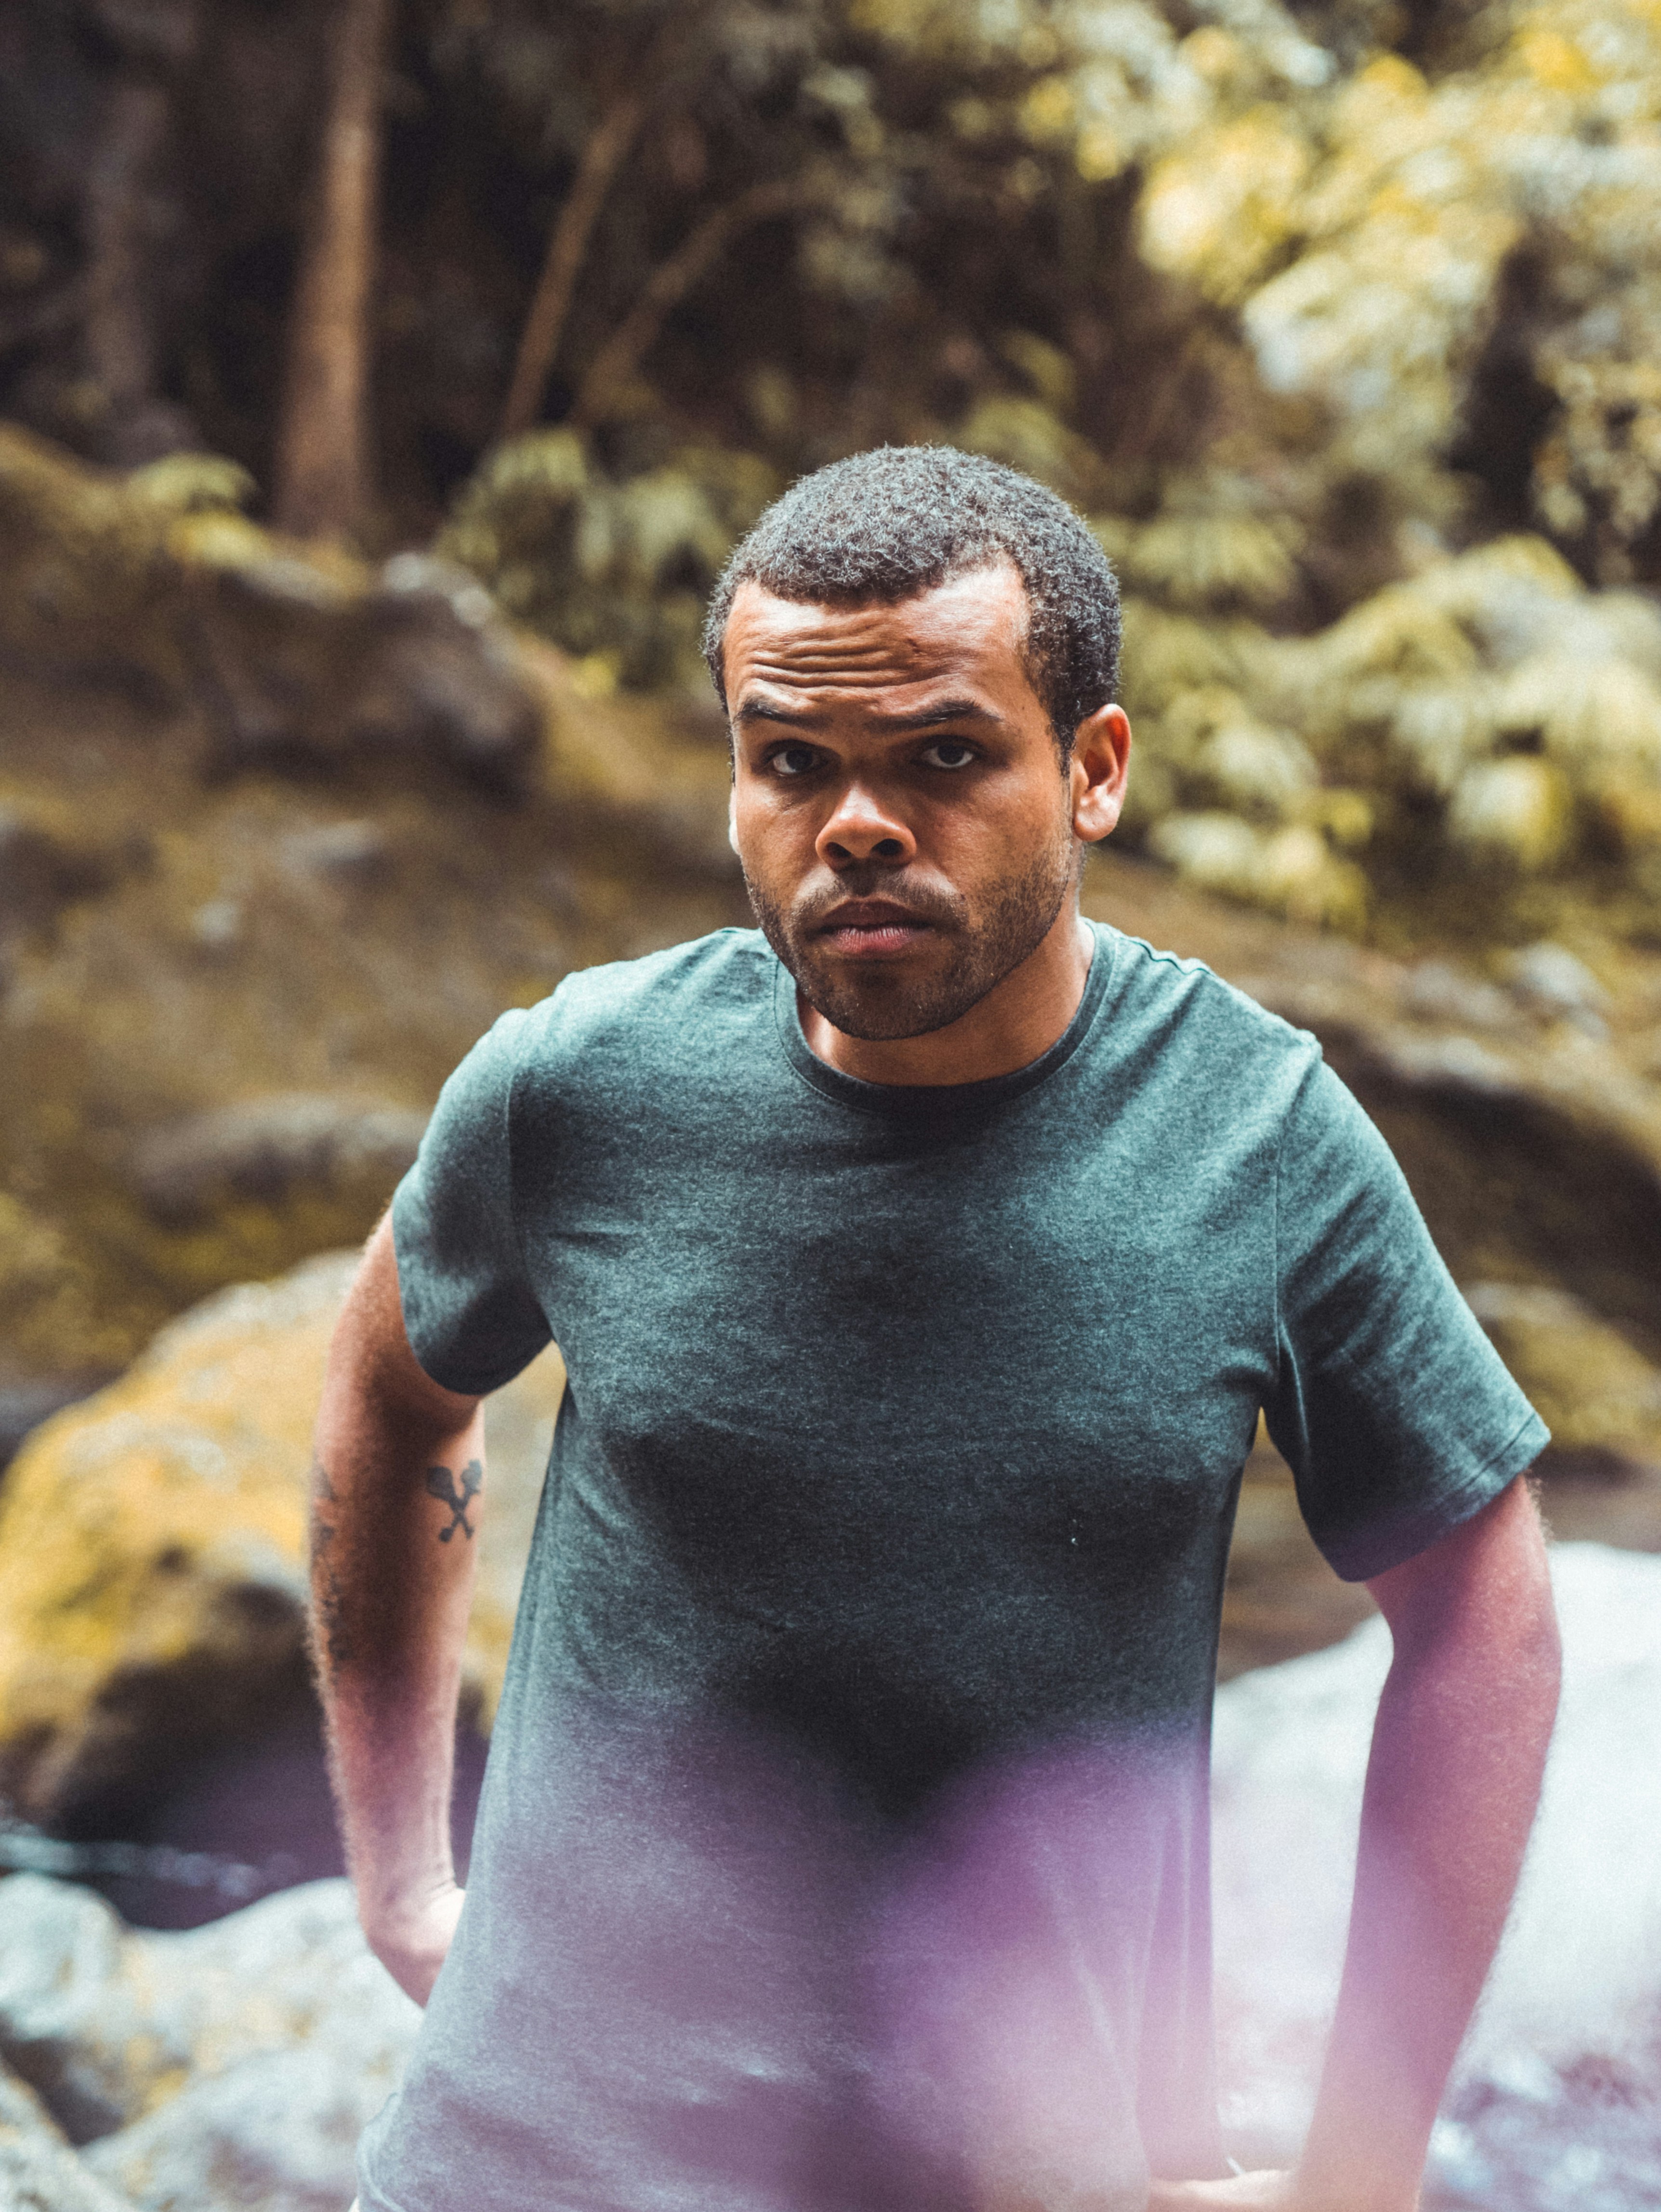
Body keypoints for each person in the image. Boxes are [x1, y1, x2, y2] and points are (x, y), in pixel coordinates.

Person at [312, 446, 1561, 2212]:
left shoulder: (1257, 1138)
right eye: (792, 763)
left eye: (946, 758)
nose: (859, 825)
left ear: (1094, 770)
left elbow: (1485, 1618)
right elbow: (393, 1394)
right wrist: (395, 1879)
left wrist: (1363, 2162)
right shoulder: (577, 1088)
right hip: (531, 2164)